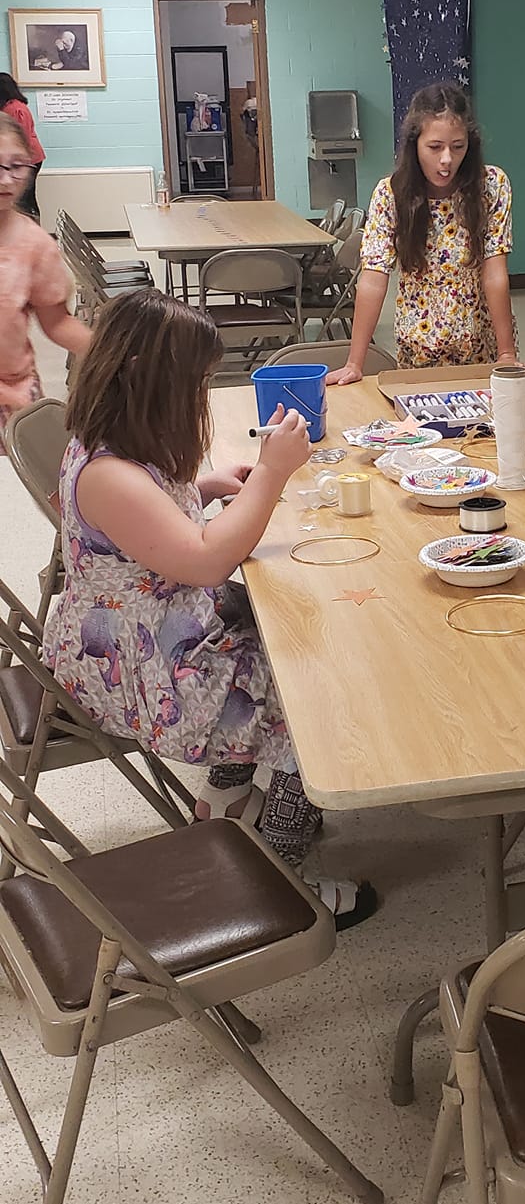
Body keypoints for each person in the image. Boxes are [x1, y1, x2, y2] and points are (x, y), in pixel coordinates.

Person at [41, 289, 376, 929]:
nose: (199, 397)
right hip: (141, 672)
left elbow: (154, 521)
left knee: (279, 621)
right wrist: (274, 476)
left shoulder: (114, 441)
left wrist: (206, 487)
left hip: (152, 630)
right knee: (318, 700)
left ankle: (225, 790)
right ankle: (279, 877)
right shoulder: (107, 474)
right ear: (149, 381)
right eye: (194, 384)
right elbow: (204, 561)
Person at [328, 83, 518, 383]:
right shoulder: (390, 194)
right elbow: (374, 280)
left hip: (479, 345)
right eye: (435, 147)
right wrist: (355, 363)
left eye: (458, 146)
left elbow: (494, 274)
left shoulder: (491, 186)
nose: (446, 159)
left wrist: (506, 354)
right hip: (418, 349)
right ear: (415, 145)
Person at [0, 113, 91, 445]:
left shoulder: (34, 244)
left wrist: (112, 352)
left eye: (17, 166)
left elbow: (56, 322)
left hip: (15, 392)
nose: (7, 181)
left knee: (42, 479)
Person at [0, 73, 44, 219]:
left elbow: (21, 139)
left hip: (27, 160)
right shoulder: (11, 107)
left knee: (25, 199)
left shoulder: (16, 108)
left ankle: (33, 228)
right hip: (22, 159)